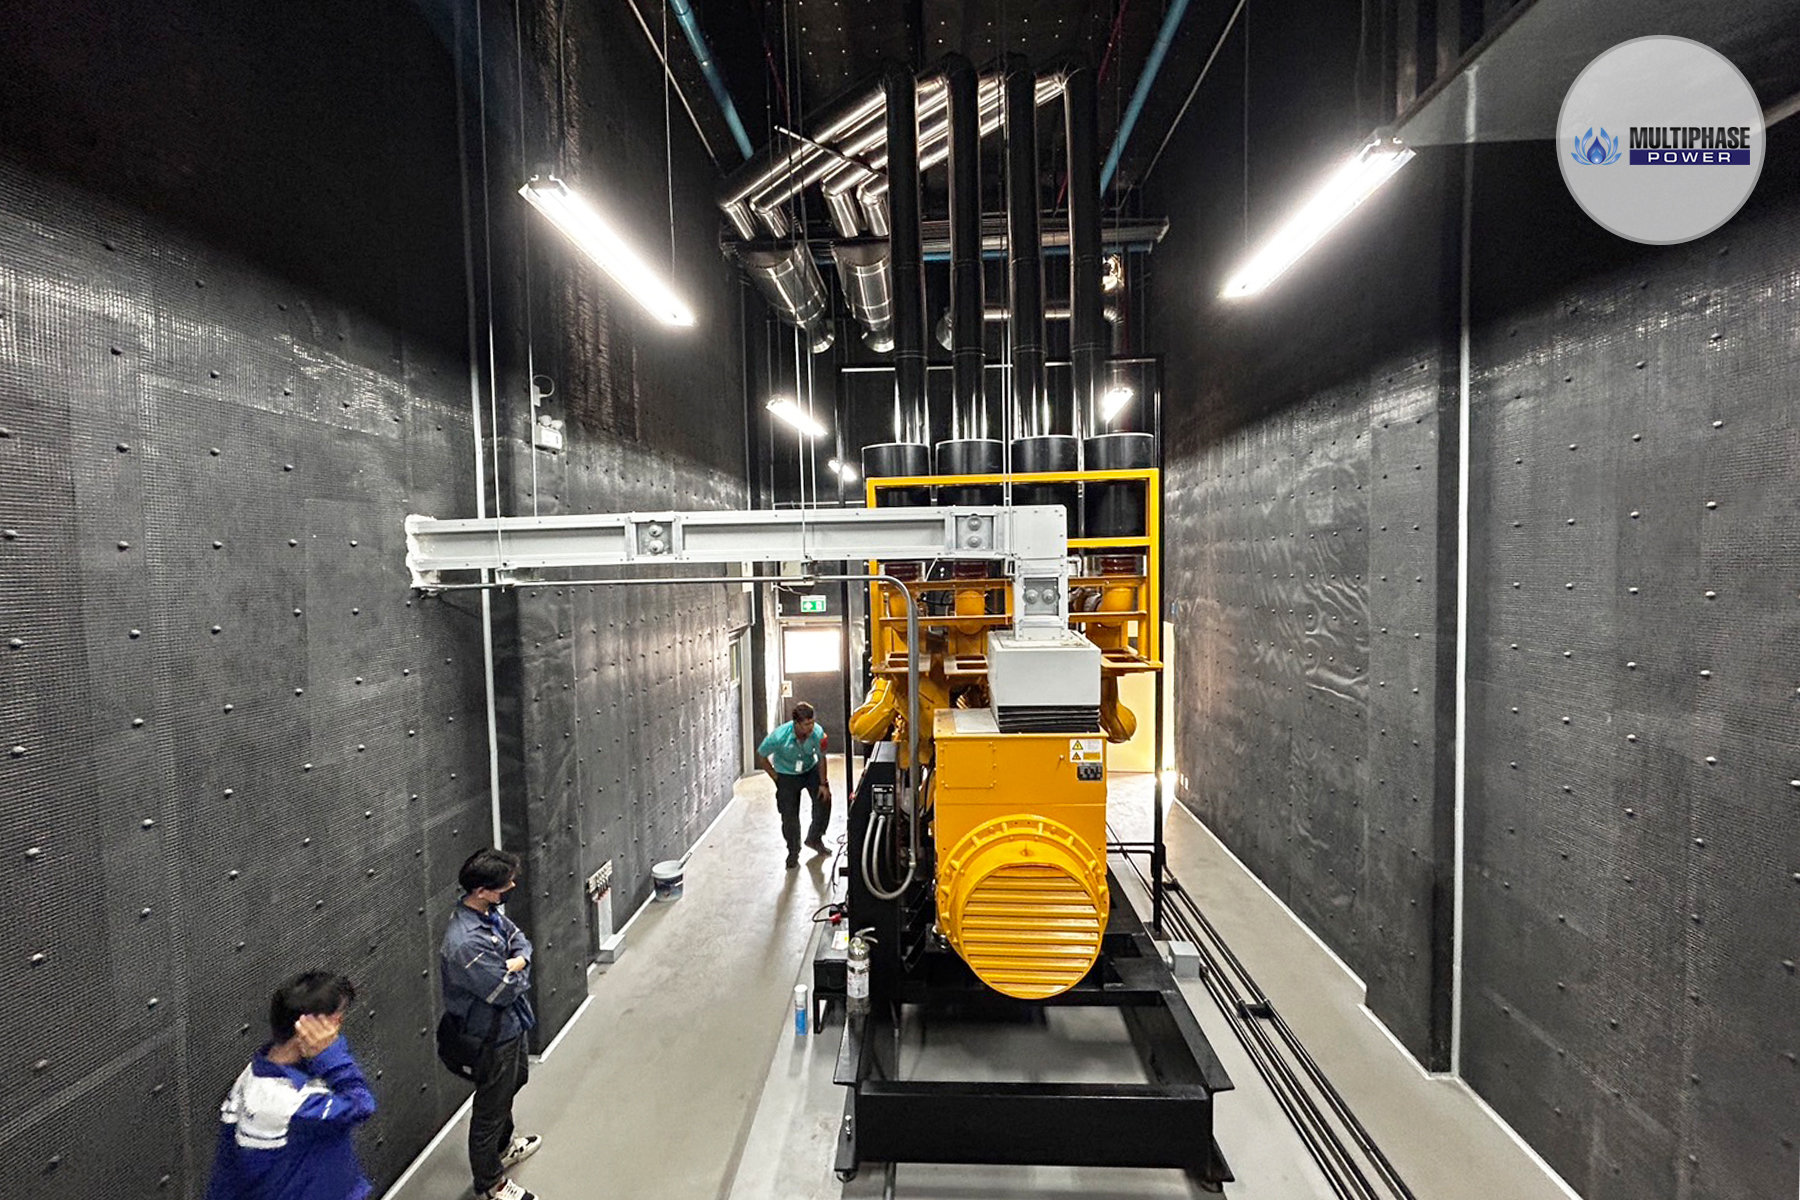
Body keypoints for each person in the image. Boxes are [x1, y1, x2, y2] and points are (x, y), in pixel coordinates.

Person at [205, 972, 375, 1200]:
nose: (338, 1029)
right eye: (336, 1020)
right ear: (309, 1029)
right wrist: (330, 1055)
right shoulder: (292, 1102)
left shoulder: (255, 1074)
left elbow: (226, 1173)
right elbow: (361, 1104)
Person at [441, 848, 543, 1200]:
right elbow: (504, 989)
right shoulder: (465, 943)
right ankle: (491, 1183)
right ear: (482, 891)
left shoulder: (488, 914)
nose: (511, 887)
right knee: (490, 1109)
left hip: (512, 1024)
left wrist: (519, 960)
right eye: (505, 885)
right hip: (490, 1036)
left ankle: (502, 1148)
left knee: (517, 1079)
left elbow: (520, 941)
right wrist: (518, 967)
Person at [758, 701, 832, 869]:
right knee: (789, 815)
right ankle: (793, 851)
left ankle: (814, 838)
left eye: (812, 722)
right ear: (796, 723)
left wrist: (823, 784)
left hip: (810, 769)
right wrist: (776, 778)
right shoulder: (779, 737)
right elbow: (761, 756)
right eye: (807, 724)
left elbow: (821, 759)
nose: (811, 727)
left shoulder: (818, 733)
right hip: (787, 774)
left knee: (824, 801)